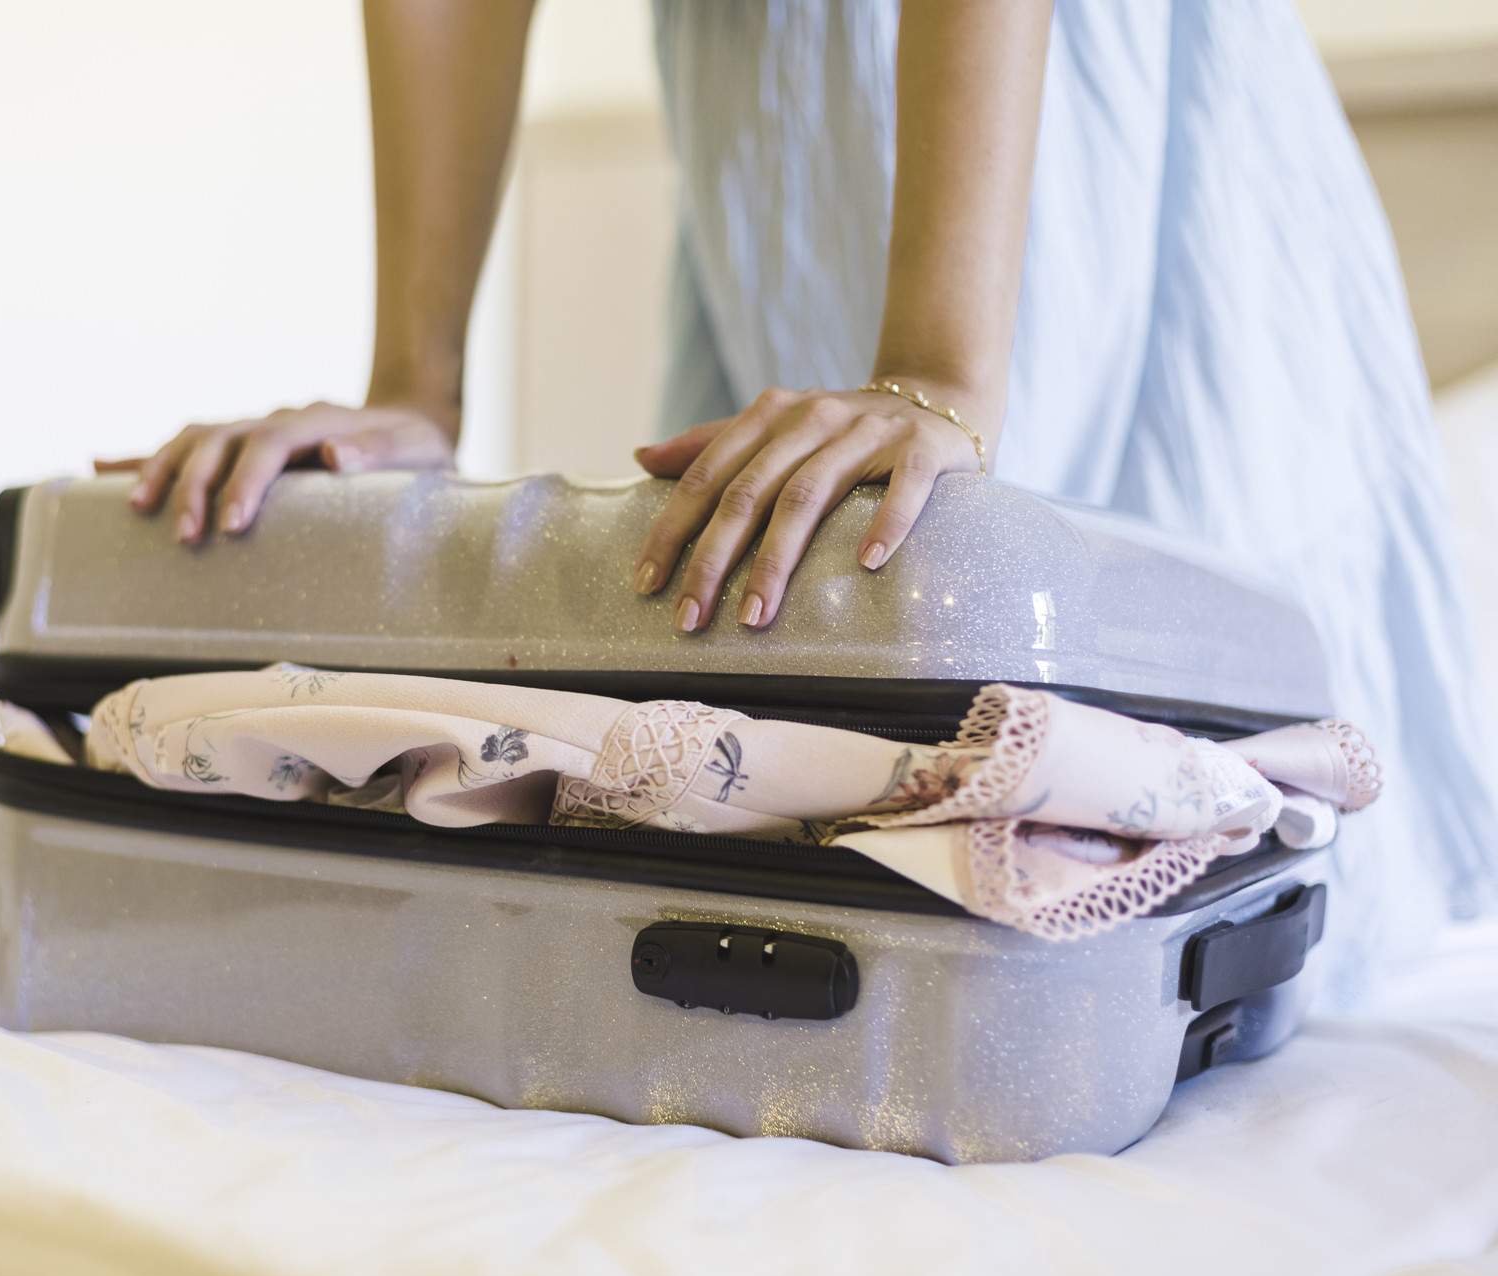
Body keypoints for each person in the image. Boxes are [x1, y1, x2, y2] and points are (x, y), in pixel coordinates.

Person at [96, 1, 1494, 995]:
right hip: (775, 135)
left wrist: (938, 368)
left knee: (1190, 864)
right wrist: (415, 384)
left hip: (1053, 105)